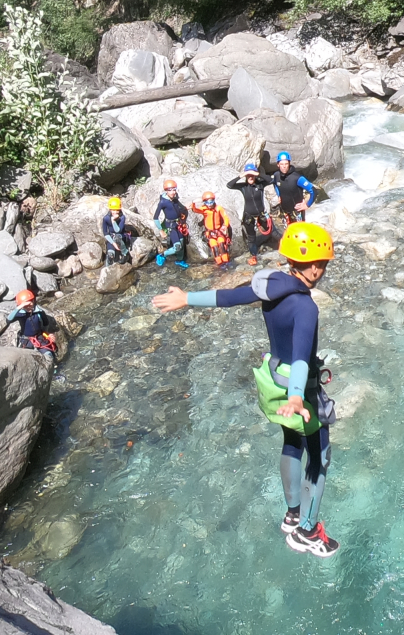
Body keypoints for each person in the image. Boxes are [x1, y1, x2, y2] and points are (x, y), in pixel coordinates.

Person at [151, 222, 341, 558]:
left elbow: (228, 297)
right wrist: (298, 396)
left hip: (273, 377)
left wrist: (186, 298)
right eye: (320, 263)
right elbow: (301, 355)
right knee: (320, 455)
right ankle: (308, 531)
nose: (321, 269)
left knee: (291, 441)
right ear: (311, 265)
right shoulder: (305, 306)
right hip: (297, 388)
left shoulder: (271, 285)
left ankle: (291, 512)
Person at [228, 162, 276, 265]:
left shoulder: (260, 184)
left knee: (272, 230)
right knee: (251, 238)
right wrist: (242, 175)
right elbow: (229, 185)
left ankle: (280, 246)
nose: (251, 177)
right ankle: (254, 255)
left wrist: (257, 174)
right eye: (248, 175)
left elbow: (272, 180)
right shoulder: (243, 186)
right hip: (248, 216)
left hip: (261, 215)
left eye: (252, 175)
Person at [7, 290, 58, 360]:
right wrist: (19, 307)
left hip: (39, 338)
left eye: (31, 303)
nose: (29, 307)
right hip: (26, 340)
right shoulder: (21, 314)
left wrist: (47, 335)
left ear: (34, 302)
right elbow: (8, 320)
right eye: (26, 306)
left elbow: (46, 323)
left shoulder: (39, 312)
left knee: (48, 354)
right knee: (26, 358)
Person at [270, 152, 315, 226]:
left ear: (289, 164)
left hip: (297, 213)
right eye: (282, 164)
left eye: (286, 164)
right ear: (278, 165)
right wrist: (279, 195)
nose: (284, 166)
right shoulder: (276, 175)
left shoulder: (297, 178)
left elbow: (313, 190)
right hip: (285, 212)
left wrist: (307, 205)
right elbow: (275, 184)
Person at [152, 179, 190, 268]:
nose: (173, 192)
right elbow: (155, 217)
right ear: (166, 191)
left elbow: (181, 208)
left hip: (178, 225)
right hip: (171, 227)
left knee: (181, 242)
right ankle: (162, 255)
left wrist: (186, 208)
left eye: (174, 189)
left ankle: (180, 260)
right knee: (177, 246)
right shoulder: (163, 202)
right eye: (170, 190)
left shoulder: (175, 199)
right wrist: (161, 230)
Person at [190, 191, 233, 267]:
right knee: (215, 247)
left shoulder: (219, 208)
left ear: (214, 201)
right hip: (210, 233)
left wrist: (225, 226)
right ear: (204, 202)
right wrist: (193, 203)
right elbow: (195, 210)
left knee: (221, 244)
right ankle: (220, 264)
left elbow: (225, 217)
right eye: (207, 202)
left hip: (219, 231)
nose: (209, 204)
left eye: (211, 202)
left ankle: (226, 262)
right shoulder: (204, 209)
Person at [101, 196, 135, 264]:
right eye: (113, 210)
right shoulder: (106, 218)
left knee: (117, 237)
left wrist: (113, 221)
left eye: (117, 210)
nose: (115, 212)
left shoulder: (122, 217)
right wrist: (113, 244)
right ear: (110, 210)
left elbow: (118, 231)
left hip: (121, 236)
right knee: (110, 255)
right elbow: (105, 233)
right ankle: (108, 270)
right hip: (112, 238)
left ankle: (125, 253)